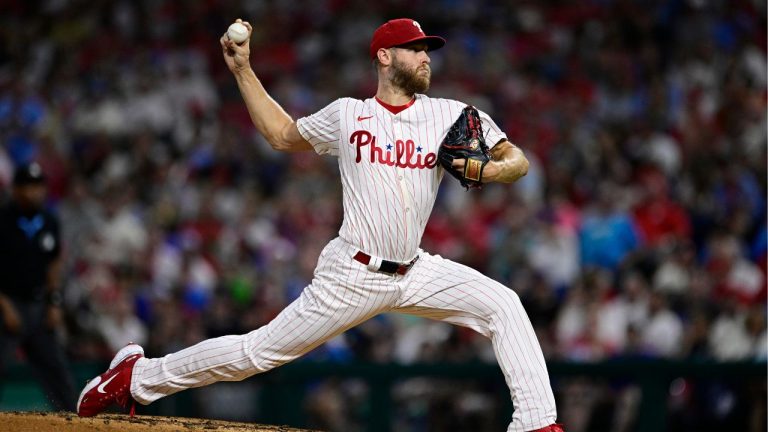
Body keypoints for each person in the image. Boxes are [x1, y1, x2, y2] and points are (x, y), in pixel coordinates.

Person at [77, 18, 563, 431]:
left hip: (415, 271)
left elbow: (514, 158)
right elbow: (280, 135)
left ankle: (537, 424)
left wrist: (495, 169)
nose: (425, 57)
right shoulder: (350, 115)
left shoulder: (450, 114)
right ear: (384, 57)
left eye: (427, 50)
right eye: (415, 49)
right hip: (354, 273)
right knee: (258, 354)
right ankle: (137, 378)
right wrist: (244, 70)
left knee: (504, 304)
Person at [0, 162, 76, 411]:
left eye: (38, 186)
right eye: (29, 186)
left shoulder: (49, 221)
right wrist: (5, 306)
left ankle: (74, 421)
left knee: (57, 370)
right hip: (8, 305)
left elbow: (53, 264)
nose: (35, 192)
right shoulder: (4, 220)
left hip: (39, 306)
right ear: (17, 189)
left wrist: (54, 302)